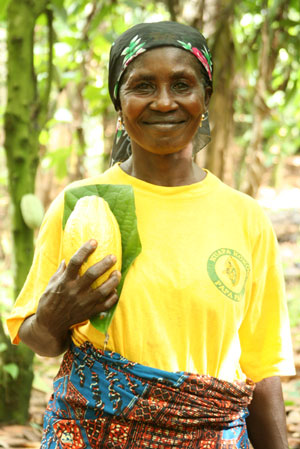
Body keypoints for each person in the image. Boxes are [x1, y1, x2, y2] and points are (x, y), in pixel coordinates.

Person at [7, 21, 295, 449]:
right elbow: (40, 340)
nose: (164, 102)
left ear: (205, 100)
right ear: (119, 105)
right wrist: (51, 316)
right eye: (143, 86)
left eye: (182, 84)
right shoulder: (85, 203)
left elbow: (261, 370)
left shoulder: (244, 217)